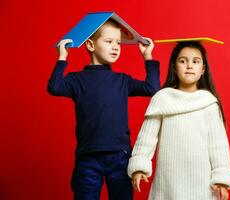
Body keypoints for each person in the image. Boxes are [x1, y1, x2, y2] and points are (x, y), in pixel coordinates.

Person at [47, 19, 160, 200]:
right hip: (88, 158)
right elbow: (54, 87)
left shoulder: (122, 80)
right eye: (109, 42)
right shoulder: (77, 80)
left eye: (118, 43)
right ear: (91, 45)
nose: (116, 47)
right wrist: (62, 57)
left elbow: (152, 88)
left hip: (120, 156)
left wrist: (148, 56)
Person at [127, 41, 230, 200]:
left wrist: (222, 179)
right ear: (174, 67)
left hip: (201, 184)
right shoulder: (162, 99)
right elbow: (147, 137)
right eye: (183, 61)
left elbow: (218, 145)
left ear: (203, 69)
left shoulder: (209, 102)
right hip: (167, 183)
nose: (189, 65)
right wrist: (139, 167)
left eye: (195, 61)